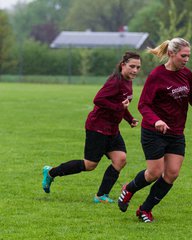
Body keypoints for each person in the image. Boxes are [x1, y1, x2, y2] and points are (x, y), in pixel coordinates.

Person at [117, 38, 192, 223]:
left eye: (189, 56)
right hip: (153, 132)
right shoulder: (157, 76)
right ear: (171, 54)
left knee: (172, 173)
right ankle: (129, 189)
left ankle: (145, 210)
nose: (187, 59)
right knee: (154, 173)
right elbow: (143, 105)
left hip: (176, 133)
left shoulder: (187, 74)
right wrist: (156, 120)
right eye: (183, 55)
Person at [41, 51, 141, 203]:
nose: (135, 70)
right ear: (123, 65)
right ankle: (51, 173)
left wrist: (129, 119)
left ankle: (101, 196)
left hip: (112, 129)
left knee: (120, 159)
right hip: (98, 127)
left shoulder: (128, 81)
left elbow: (122, 105)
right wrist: (118, 107)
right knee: (89, 165)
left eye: (138, 67)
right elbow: (98, 99)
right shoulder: (115, 81)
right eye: (132, 66)